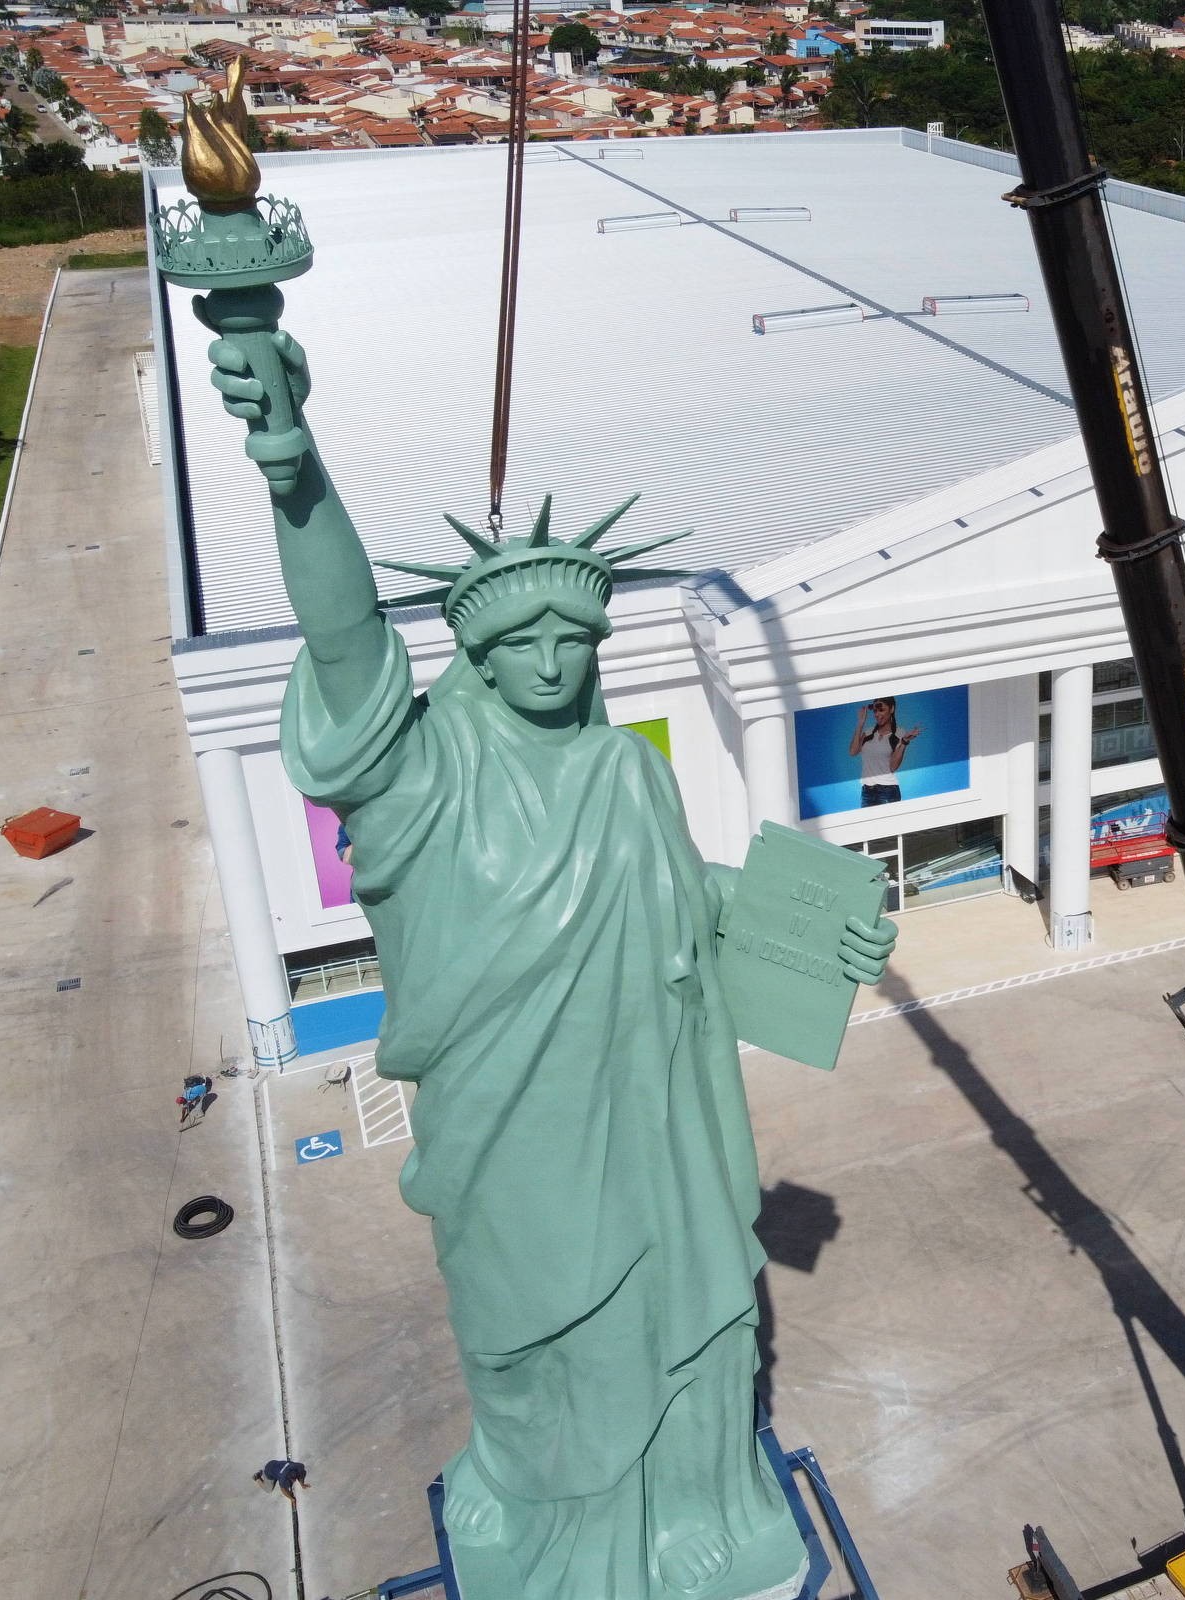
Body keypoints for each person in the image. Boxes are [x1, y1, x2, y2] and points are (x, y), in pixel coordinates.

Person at [206, 320, 896, 1600]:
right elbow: (348, 636)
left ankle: (694, 1508)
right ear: (475, 655)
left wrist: (825, 930)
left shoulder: (628, 770)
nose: (548, 662)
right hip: (512, 1133)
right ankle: (548, 1515)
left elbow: (687, 900)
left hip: (655, 1122)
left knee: (691, 1320)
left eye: (572, 641)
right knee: (532, 1341)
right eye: (521, 643)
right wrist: (292, 462)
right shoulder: (421, 777)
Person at [848, 697, 920, 808]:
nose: (877, 714)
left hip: (888, 791)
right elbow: (853, 752)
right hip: (867, 792)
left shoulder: (899, 733)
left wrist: (904, 742)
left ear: (892, 709)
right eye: (875, 711)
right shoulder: (868, 732)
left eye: (881, 710)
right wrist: (860, 723)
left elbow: (893, 767)